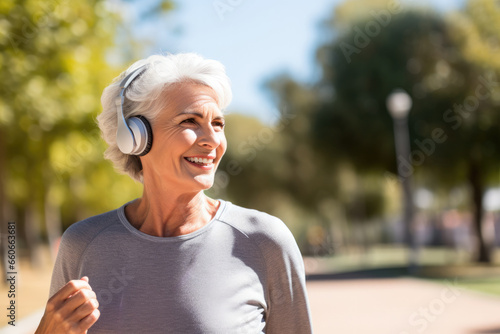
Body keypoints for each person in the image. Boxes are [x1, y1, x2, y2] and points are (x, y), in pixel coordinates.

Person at [35, 53, 312, 333]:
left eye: (218, 123)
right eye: (190, 121)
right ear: (134, 136)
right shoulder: (82, 244)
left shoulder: (264, 241)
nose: (213, 140)